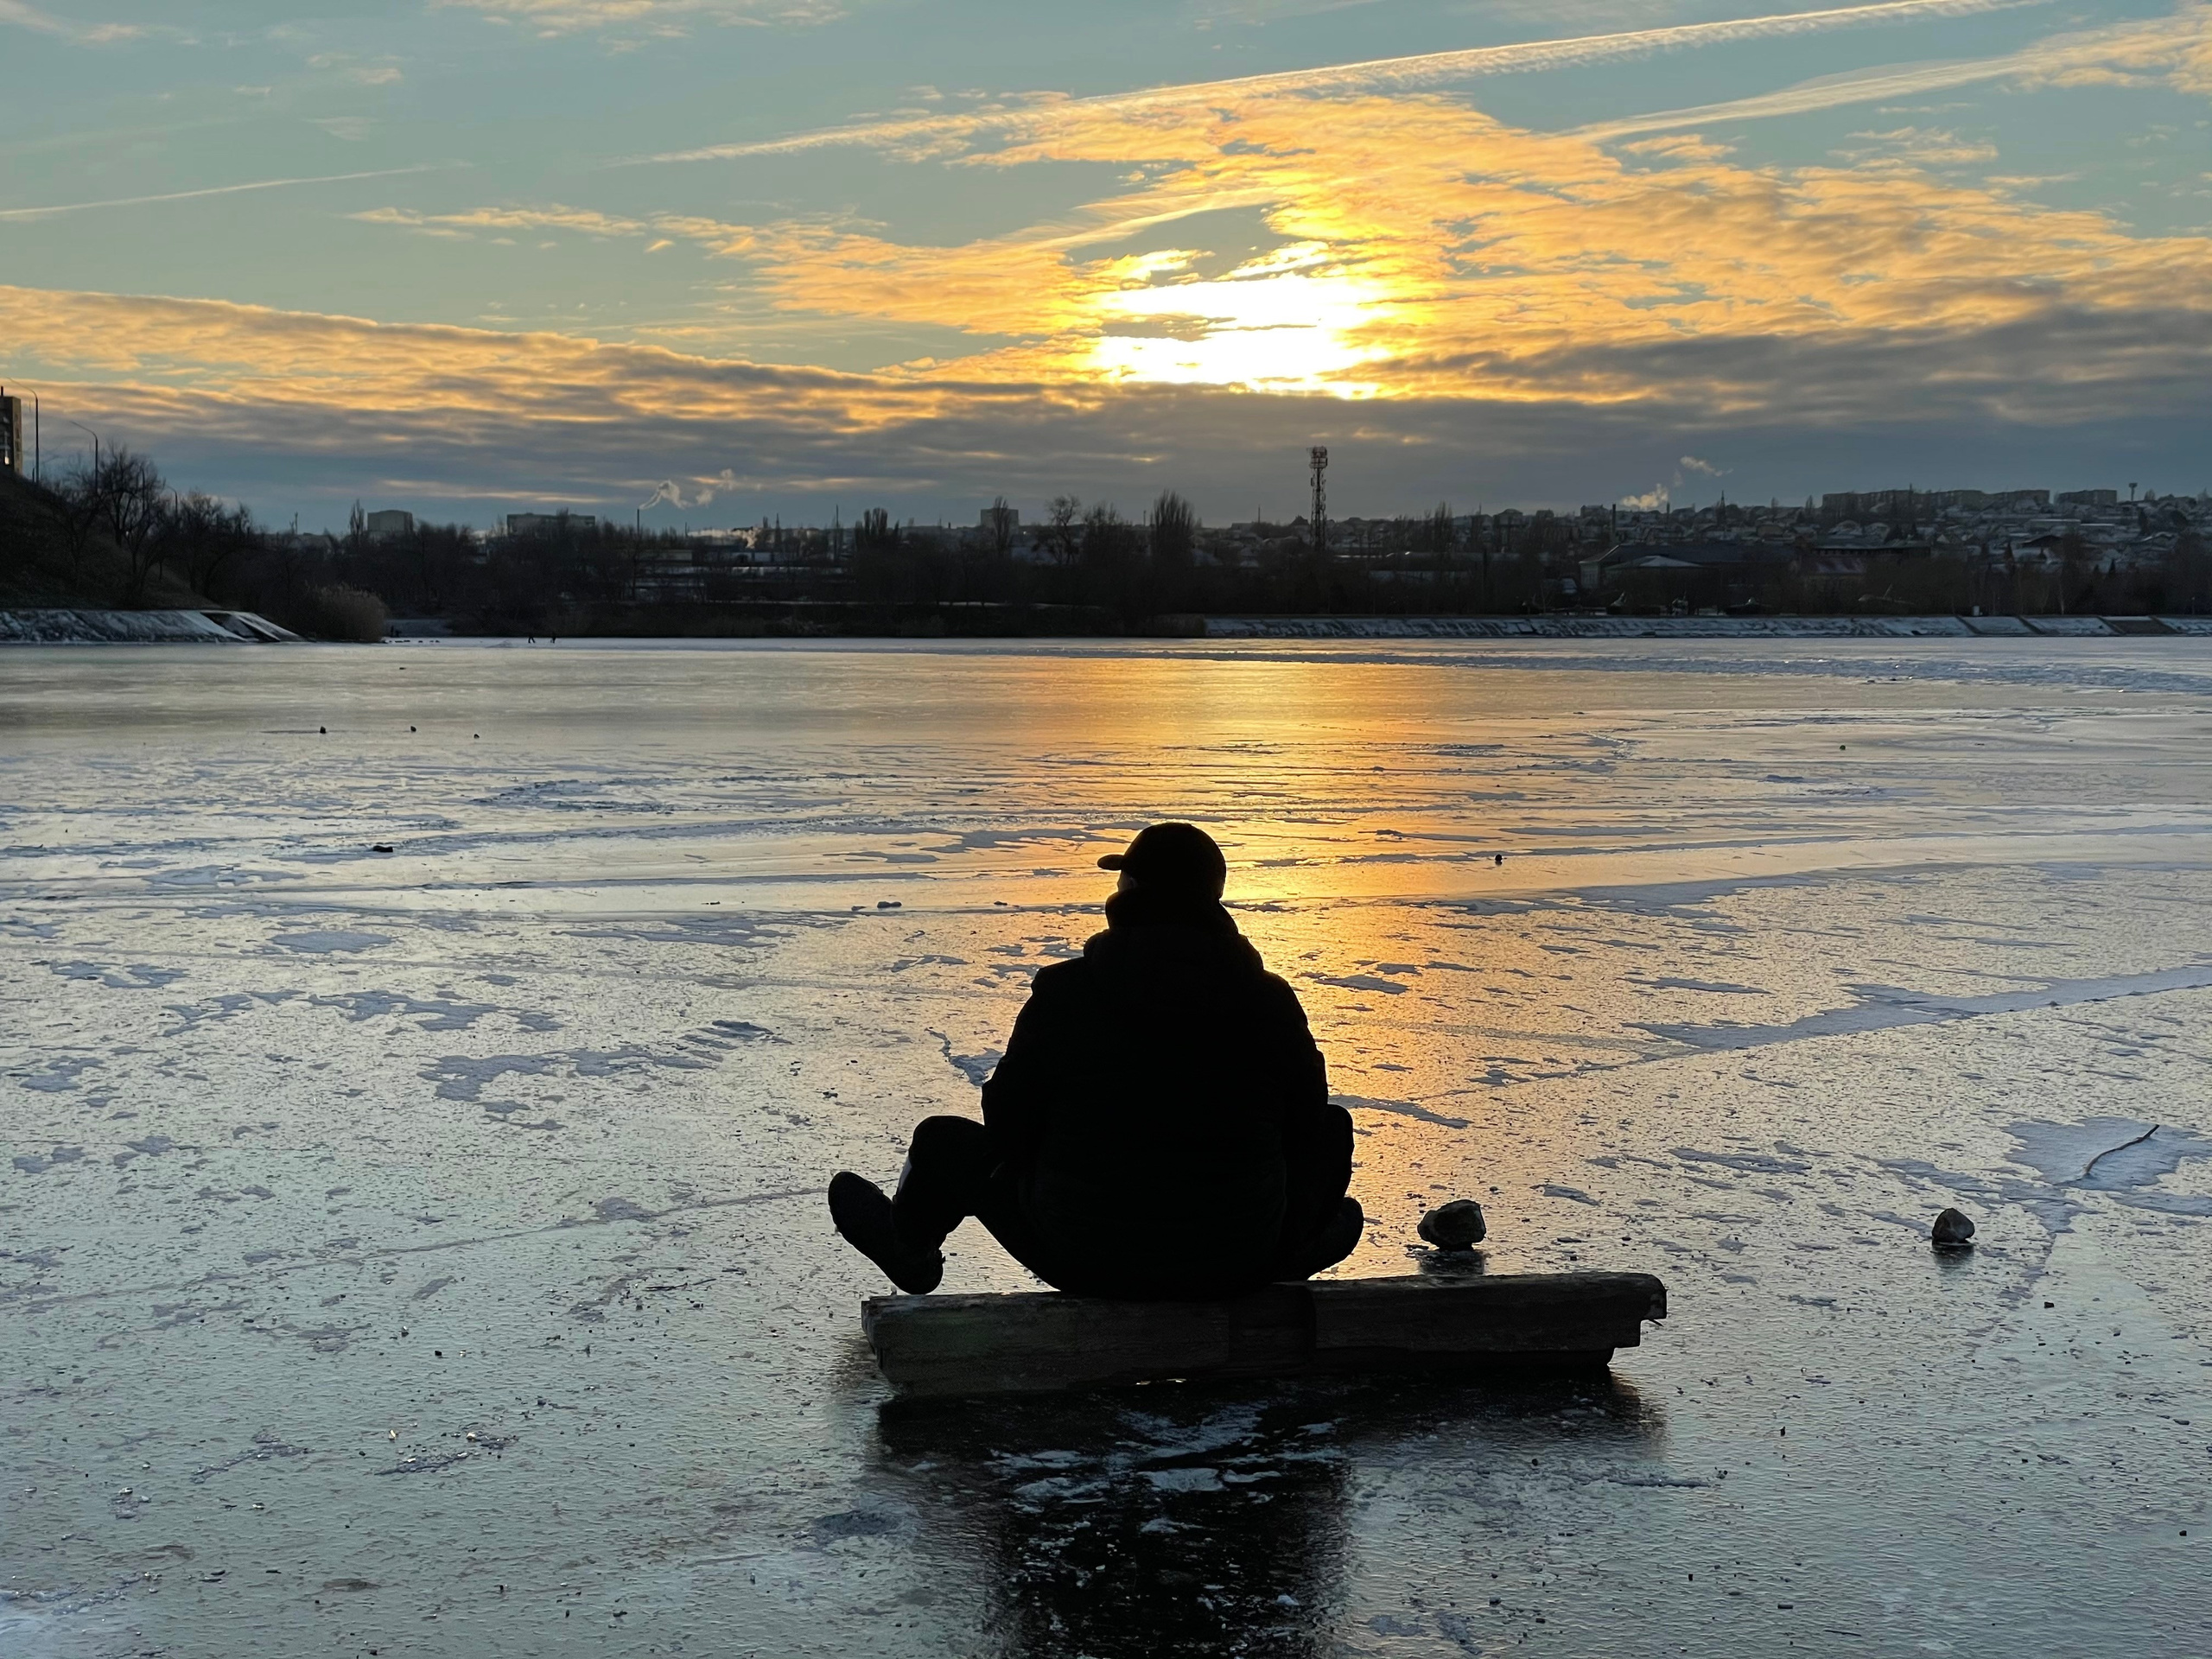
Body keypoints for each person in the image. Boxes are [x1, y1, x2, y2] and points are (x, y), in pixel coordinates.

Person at [828, 822, 1362, 1300]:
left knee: (944, 1142)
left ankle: (909, 1250)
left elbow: (1009, 1123)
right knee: (1335, 1141)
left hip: (1087, 1258)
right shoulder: (1269, 1000)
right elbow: (1308, 1124)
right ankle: (1279, 1256)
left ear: (1130, 890)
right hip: (1239, 1257)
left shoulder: (1066, 992)